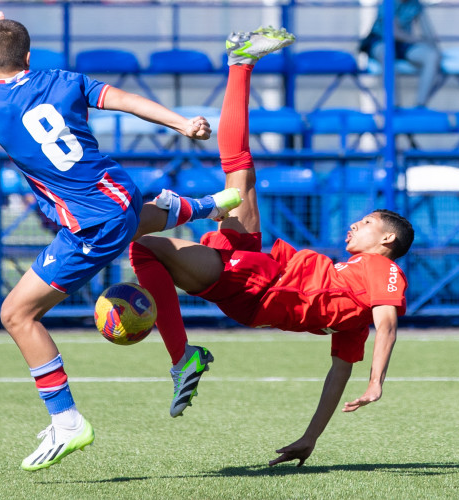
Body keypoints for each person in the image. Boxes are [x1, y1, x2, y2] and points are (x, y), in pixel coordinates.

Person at [129, 27, 414, 467]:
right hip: (264, 264)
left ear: (387, 240)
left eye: (369, 223)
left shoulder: (381, 271)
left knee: (145, 246)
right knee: (240, 170)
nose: (357, 224)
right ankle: (241, 63)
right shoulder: (354, 287)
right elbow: (339, 372)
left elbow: (387, 324)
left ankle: (181, 354)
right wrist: (310, 438)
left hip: (256, 288)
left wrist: (377, 380)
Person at [0, 12, 242, 471]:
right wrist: (180, 124)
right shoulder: (64, 80)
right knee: (131, 221)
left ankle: (67, 420)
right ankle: (209, 205)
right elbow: (127, 100)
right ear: (31, 57)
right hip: (117, 187)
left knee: (16, 314)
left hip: (90, 222)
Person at [359, 0, 441, 108]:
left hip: (403, 44)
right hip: (380, 40)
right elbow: (393, 32)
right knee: (386, 52)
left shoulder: (415, 5)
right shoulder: (388, 3)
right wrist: (418, 40)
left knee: (432, 56)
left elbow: (429, 34)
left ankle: (420, 106)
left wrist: (434, 50)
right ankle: (394, 106)